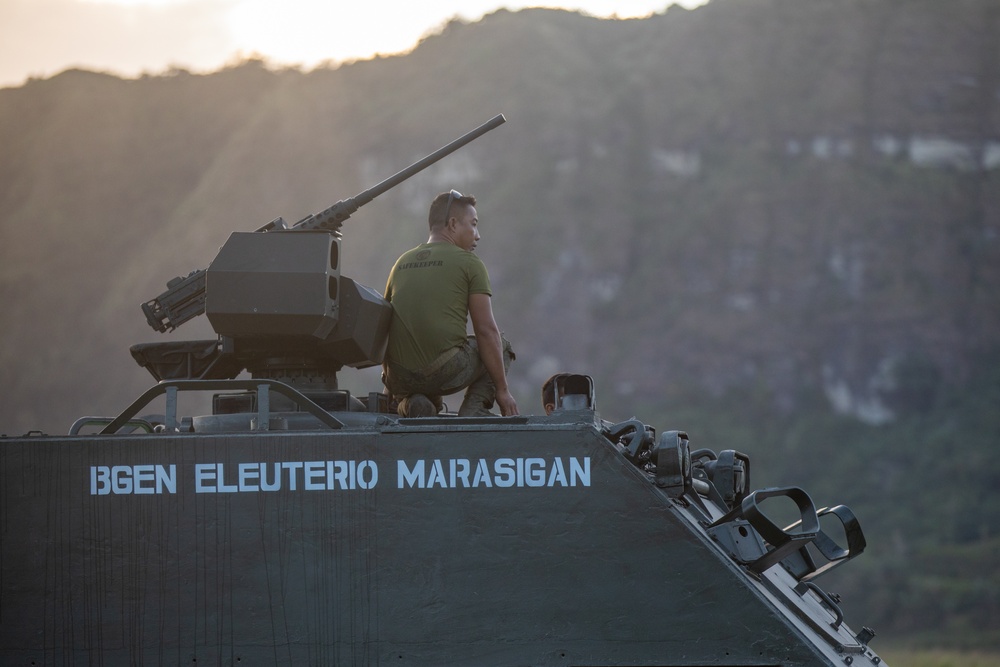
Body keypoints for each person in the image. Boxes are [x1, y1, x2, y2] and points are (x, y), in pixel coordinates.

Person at [382, 190, 518, 418]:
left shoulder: (401, 263)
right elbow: (485, 330)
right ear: (453, 224)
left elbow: (384, 326)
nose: (477, 235)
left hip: (400, 377)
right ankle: (474, 410)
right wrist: (503, 392)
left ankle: (412, 404)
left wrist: (389, 385)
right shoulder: (469, 263)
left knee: (422, 397)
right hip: (442, 371)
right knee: (501, 345)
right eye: (473, 225)